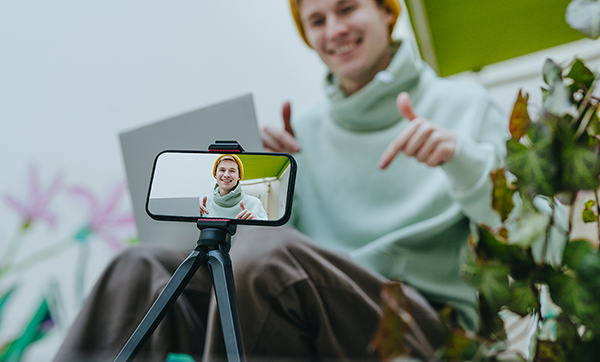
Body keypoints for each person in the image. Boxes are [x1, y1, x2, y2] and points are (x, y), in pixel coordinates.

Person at [52, 0, 509, 361]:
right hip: (315, 307)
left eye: (348, 8)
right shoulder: (300, 135)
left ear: (388, 12)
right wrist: (268, 188)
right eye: (317, 21)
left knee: (264, 261)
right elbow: (290, 254)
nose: (334, 30)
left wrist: (460, 159)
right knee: (138, 269)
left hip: (424, 323)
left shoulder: (462, 105)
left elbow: (523, 232)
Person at [199, 154, 268, 220]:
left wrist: (257, 221)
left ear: (239, 176)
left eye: (232, 171)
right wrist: (191, 215)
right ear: (215, 174)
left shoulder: (254, 204)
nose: (226, 175)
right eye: (222, 170)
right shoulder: (203, 203)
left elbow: (267, 230)